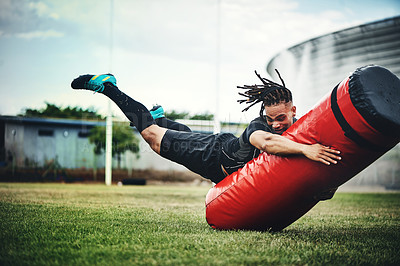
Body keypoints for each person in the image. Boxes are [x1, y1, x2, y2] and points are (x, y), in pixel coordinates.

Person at [71, 71, 341, 185]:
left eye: (281, 118)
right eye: (271, 118)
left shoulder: (300, 126)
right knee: (152, 136)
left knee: (179, 136)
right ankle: (108, 87)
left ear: (294, 110)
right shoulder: (261, 126)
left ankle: (160, 118)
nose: (275, 123)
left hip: (217, 159)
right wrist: (307, 150)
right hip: (213, 154)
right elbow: (266, 141)